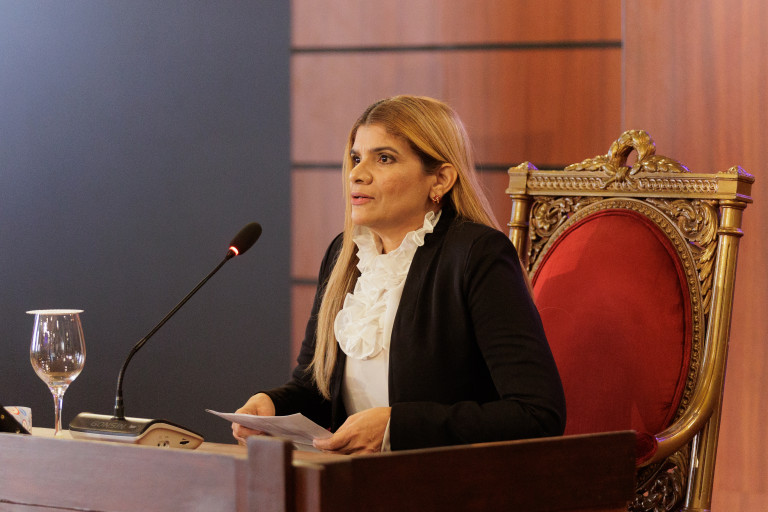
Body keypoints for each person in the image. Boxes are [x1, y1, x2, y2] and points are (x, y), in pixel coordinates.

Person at [232, 95, 565, 454]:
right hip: (354, 477)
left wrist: (397, 427)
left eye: (384, 158)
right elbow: (315, 389)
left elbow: (537, 414)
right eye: (356, 158)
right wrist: (272, 407)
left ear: (440, 180)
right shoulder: (344, 255)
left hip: (445, 480)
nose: (357, 174)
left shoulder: (478, 255)